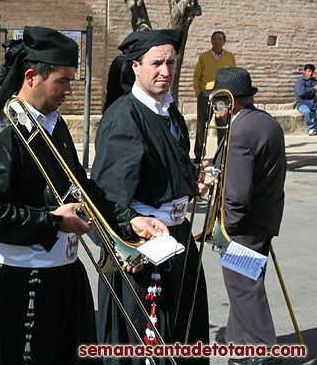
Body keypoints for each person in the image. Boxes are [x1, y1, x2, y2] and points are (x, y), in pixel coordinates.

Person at [0, 26, 158, 365]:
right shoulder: (2, 133)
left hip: (65, 275)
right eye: (62, 81)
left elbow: (81, 187)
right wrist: (53, 222)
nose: (70, 90)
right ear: (31, 76)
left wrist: (129, 219)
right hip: (24, 280)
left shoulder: (54, 125)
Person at [91, 29, 210, 365]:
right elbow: (107, 197)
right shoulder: (124, 118)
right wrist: (133, 222)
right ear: (136, 68)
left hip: (178, 240)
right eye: (156, 63)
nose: (166, 71)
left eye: (171, 62)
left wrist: (190, 182)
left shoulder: (169, 111)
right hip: (142, 248)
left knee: (184, 333)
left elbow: (167, 166)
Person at [210, 67, 286, 365]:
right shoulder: (264, 122)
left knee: (244, 286)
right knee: (244, 284)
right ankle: (240, 339)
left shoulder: (240, 131)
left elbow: (238, 193)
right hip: (263, 218)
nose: (215, 109)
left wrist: (225, 227)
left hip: (244, 224)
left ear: (230, 102)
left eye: (217, 102)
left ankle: (261, 349)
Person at [193, 31, 237, 162]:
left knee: (223, 125)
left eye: (220, 39)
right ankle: (199, 155)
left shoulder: (229, 57)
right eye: (215, 39)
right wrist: (199, 94)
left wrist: (231, 95)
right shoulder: (203, 57)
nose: (217, 41)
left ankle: (222, 155)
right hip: (206, 94)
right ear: (211, 41)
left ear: (224, 41)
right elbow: (196, 76)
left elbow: (234, 75)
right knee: (202, 126)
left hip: (222, 96)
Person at [294, 63, 316, 135]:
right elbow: (301, 92)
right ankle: (312, 129)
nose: (310, 73)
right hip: (302, 103)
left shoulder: (314, 81)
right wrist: (313, 89)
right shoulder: (300, 82)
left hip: (313, 103)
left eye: (312, 72)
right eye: (308, 71)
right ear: (304, 71)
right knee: (307, 112)